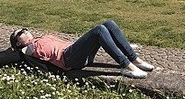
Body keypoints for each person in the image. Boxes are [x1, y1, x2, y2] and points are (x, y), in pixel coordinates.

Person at [9, 19, 154, 79]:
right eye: (20, 33)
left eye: (24, 29)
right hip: (68, 58)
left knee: (109, 24)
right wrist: (14, 49)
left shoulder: (38, 39)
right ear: (18, 43)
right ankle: (128, 67)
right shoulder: (27, 49)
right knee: (99, 30)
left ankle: (135, 60)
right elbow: (14, 54)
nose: (25, 31)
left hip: (75, 51)